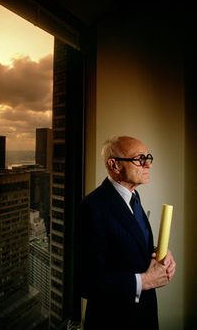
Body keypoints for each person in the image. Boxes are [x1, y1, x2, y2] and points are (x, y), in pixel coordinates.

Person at [75, 135, 176, 330]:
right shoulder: (92, 207)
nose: (148, 165)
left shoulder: (134, 196)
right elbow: (86, 282)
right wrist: (144, 282)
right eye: (140, 159)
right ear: (114, 165)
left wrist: (159, 254)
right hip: (114, 321)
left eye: (148, 158)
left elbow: (124, 243)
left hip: (144, 316)